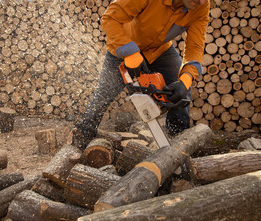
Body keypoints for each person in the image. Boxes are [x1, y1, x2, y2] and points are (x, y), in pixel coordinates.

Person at [73, 0, 210, 150]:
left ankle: (179, 147)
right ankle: (81, 140)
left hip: (159, 50)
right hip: (123, 46)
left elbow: (195, 47)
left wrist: (186, 79)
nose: (202, 2)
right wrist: (130, 53)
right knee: (103, 95)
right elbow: (110, 18)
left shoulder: (201, 6)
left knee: (182, 93)